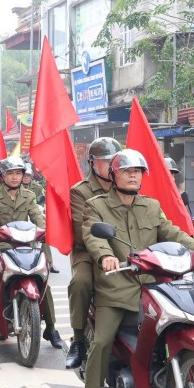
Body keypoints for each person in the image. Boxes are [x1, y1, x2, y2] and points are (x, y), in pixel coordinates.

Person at [77, 149, 194, 388]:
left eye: (138, 171)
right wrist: (106, 256)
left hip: (154, 285)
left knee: (181, 325)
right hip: (117, 288)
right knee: (102, 341)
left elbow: (173, 234)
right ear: (113, 175)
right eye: (127, 171)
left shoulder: (151, 207)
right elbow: (92, 236)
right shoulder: (97, 206)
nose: (133, 176)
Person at [0, 156, 64, 357]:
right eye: (11, 173)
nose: (15, 177)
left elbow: (37, 218)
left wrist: (47, 230)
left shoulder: (29, 195)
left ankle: (51, 328)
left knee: (43, 283)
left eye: (18, 173)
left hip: (25, 246)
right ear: (2, 175)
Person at [64, 137, 121, 369]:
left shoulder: (125, 186)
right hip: (87, 252)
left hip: (124, 251)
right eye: (105, 161)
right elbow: (81, 231)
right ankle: (78, 339)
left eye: (114, 161)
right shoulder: (81, 191)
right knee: (81, 282)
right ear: (91, 163)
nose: (110, 166)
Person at [22, 161, 58, 273]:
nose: (25, 178)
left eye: (28, 175)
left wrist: (43, 208)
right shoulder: (16, 186)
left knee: (44, 236)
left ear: (31, 176)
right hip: (22, 216)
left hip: (36, 214)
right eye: (24, 175)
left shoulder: (37, 187)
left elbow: (45, 200)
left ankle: (50, 263)